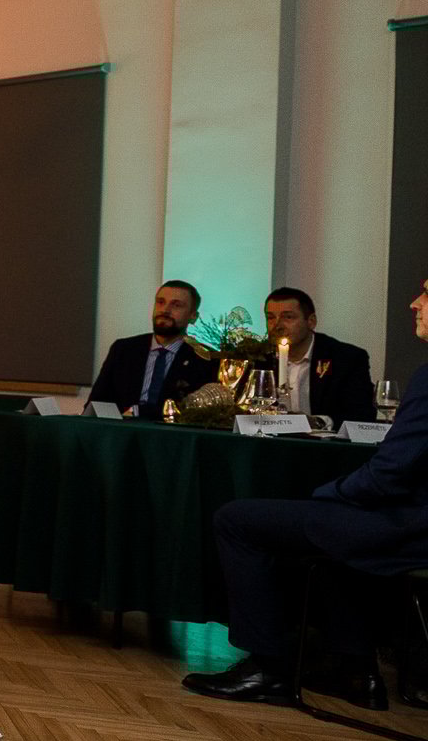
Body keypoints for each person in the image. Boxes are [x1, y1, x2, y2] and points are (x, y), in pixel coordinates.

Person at [183, 280, 428, 712]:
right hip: (411, 521)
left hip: (407, 528)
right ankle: (356, 672)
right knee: (329, 529)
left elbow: (390, 473)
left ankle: (268, 668)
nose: (414, 302)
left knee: (236, 520)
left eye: (426, 292)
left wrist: (332, 492)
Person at [85, 280, 215, 420]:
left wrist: (140, 412)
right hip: (121, 428)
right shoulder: (124, 349)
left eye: (176, 305)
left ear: (193, 316)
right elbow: (97, 403)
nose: (165, 310)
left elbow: (202, 413)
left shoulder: (206, 358)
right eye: (160, 302)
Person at [263, 287, 375, 425]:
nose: (277, 326)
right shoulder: (258, 359)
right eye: (271, 318)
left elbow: (362, 414)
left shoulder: (346, 359)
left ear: (311, 321)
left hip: (324, 438)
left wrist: (318, 422)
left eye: (288, 317)